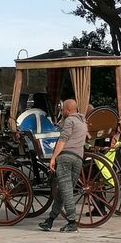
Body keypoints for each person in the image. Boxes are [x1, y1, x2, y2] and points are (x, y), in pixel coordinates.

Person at [38, 99, 88, 232]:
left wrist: (53, 157)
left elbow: (63, 139)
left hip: (66, 157)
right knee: (62, 191)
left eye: (63, 110)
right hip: (78, 159)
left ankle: (72, 222)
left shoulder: (70, 121)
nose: (62, 111)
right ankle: (50, 220)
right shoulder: (83, 122)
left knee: (66, 191)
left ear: (68, 110)